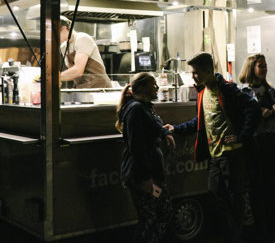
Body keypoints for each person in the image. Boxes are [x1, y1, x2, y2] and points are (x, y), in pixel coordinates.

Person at [164, 52, 260, 243]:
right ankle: (232, 234)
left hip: (231, 154)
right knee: (217, 196)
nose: (193, 76)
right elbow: (200, 121)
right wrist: (177, 128)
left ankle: (239, 237)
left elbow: (253, 109)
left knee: (234, 200)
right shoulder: (203, 93)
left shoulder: (227, 90)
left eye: (196, 72)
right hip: (215, 156)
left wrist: (241, 135)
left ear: (208, 71)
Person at [116, 72, 175, 242]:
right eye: (153, 84)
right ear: (142, 87)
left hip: (152, 172)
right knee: (152, 216)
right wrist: (146, 178)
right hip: (142, 175)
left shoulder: (144, 107)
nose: (157, 87)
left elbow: (155, 125)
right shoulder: (136, 109)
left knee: (159, 213)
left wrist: (165, 134)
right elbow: (137, 147)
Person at [238, 53, 275, 238]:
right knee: (256, 185)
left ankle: (271, 227)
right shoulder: (243, 92)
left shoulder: (270, 90)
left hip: (269, 140)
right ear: (251, 68)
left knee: (269, 184)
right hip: (253, 142)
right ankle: (258, 228)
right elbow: (241, 118)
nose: (264, 69)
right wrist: (259, 115)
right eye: (260, 66)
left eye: (265, 66)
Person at [59, 16, 112, 88]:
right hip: (83, 88)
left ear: (64, 28)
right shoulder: (64, 47)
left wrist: (56, 78)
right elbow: (72, 73)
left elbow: (78, 71)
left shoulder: (82, 38)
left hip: (100, 88)